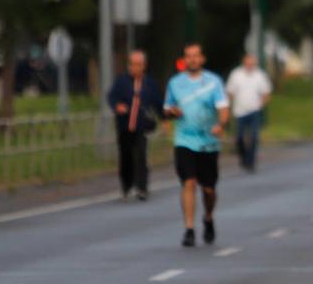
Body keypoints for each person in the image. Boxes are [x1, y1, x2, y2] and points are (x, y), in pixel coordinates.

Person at [163, 43, 230, 247]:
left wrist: (221, 124)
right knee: (189, 183)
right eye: (188, 56)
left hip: (208, 142)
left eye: (196, 56)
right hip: (184, 140)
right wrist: (171, 113)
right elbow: (167, 109)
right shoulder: (175, 83)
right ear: (184, 60)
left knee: (208, 189)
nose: (192, 59)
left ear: (202, 59)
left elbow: (224, 108)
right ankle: (189, 229)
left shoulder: (213, 82)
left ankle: (208, 217)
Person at [107, 50, 163, 200]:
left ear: (144, 66)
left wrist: (165, 118)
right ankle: (126, 185)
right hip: (124, 126)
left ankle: (142, 187)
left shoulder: (149, 83)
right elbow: (111, 97)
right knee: (126, 157)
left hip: (141, 126)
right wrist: (117, 106)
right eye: (133, 64)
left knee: (141, 156)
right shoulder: (122, 81)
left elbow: (158, 103)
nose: (135, 68)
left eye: (139, 64)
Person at [225, 53, 274, 172]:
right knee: (239, 137)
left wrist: (260, 105)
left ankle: (250, 162)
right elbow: (230, 92)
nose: (250, 65)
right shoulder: (236, 75)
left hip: (254, 110)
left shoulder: (259, 75)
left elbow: (266, 93)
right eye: (248, 63)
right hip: (239, 111)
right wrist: (228, 107)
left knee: (253, 137)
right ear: (244, 63)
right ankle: (243, 156)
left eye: (252, 63)